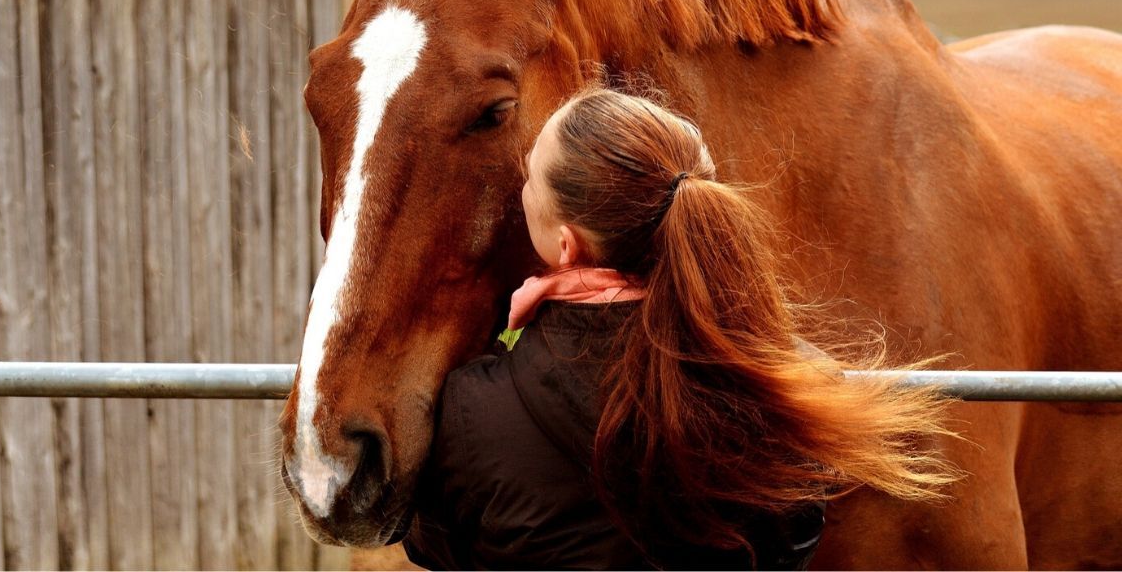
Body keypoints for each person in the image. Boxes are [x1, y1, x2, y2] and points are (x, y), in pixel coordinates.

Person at [404, 89, 958, 570]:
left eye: (529, 179)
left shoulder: (471, 410)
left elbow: (437, 548)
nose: (522, 188)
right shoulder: (793, 390)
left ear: (566, 245)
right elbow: (795, 541)